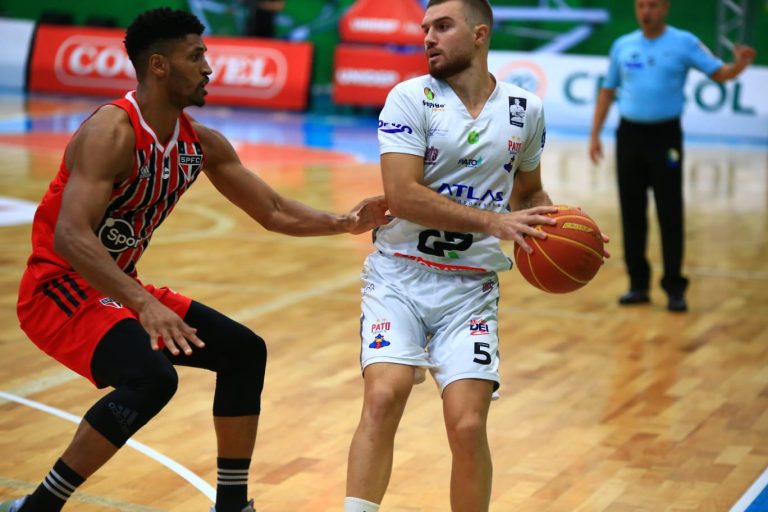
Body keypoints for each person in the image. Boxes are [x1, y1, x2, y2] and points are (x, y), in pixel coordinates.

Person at [0, 8, 387, 512]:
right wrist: (144, 305)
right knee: (153, 378)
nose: (208, 68)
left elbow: (272, 209)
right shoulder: (111, 132)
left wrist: (345, 221)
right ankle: (38, 508)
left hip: (115, 288)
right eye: (196, 56)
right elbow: (71, 236)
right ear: (159, 65)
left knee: (243, 352)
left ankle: (231, 506)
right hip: (57, 289)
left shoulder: (198, 142)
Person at [343, 1, 600, 510]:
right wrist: (493, 222)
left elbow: (528, 193)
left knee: (466, 424)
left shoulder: (526, 110)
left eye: (443, 27)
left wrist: (562, 230)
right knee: (385, 395)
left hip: (470, 288)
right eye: (425, 29)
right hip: (399, 276)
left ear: (480, 34)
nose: (428, 38)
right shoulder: (408, 98)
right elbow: (401, 195)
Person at [589, 0, 756, 312]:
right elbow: (608, 90)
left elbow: (719, 73)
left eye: (652, 5)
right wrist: (595, 134)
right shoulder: (623, 45)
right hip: (629, 136)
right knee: (631, 212)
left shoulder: (684, 42)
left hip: (665, 138)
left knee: (670, 211)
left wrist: (739, 66)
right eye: (641, 6)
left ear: (665, 8)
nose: (646, 11)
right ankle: (637, 285)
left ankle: (675, 287)